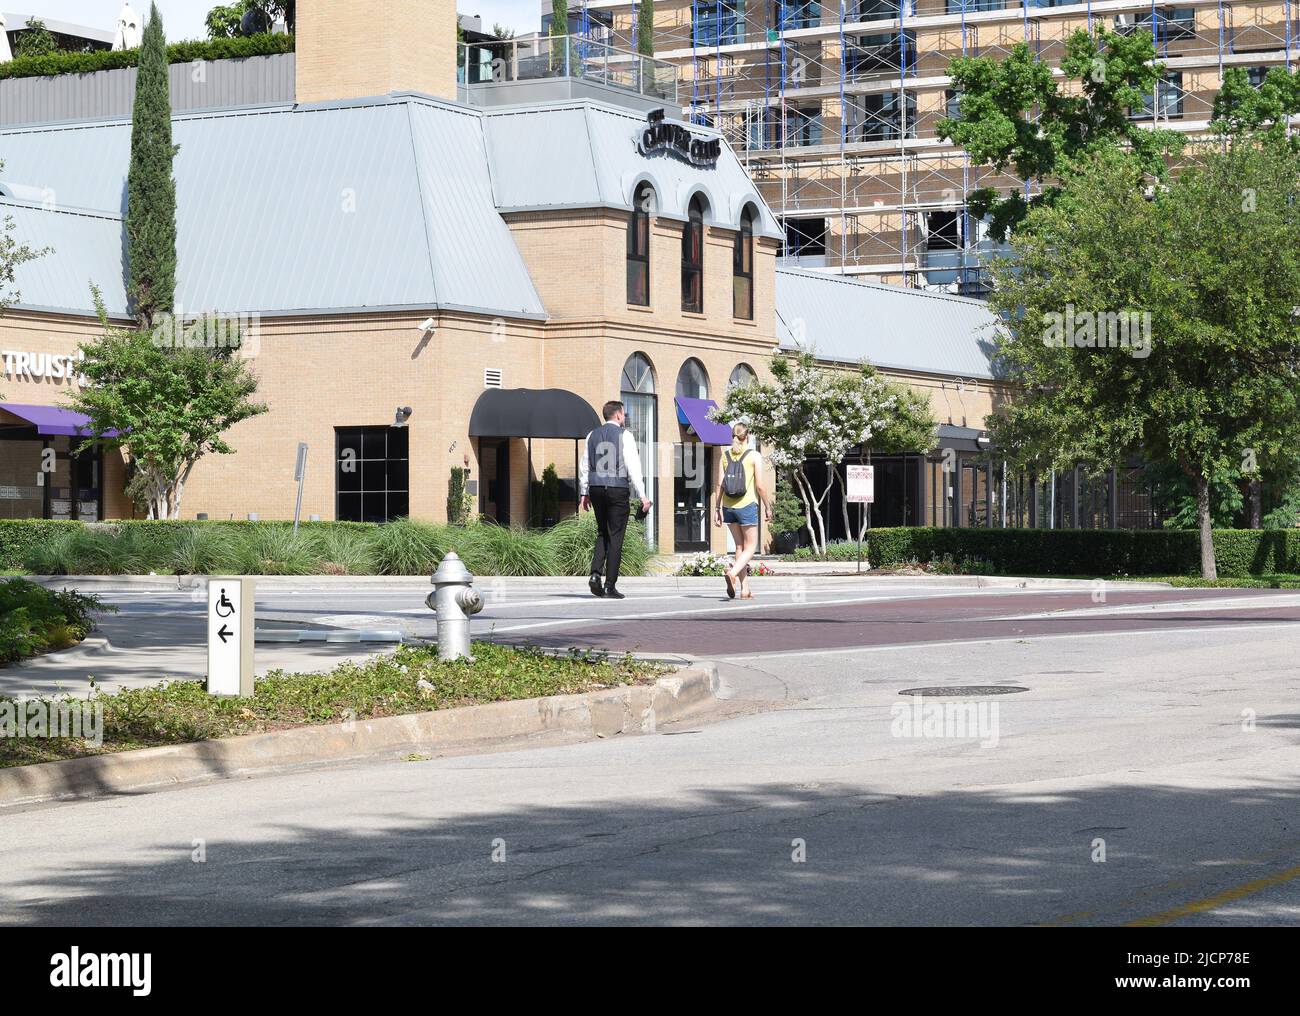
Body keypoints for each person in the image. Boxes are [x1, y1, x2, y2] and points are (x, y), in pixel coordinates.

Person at [578, 401, 652, 599]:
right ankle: (610, 586)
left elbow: (585, 465)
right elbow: (633, 465)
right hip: (617, 488)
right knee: (616, 536)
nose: (625, 417)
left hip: (595, 489)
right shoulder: (624, 435)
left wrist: (584, 493)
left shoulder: (591, 435)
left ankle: (595, 574)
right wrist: (643, 495)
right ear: (618, 415)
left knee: (602, 531)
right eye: (624, 414)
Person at [714, 423, 771, 599]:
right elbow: (760, 486)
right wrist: (768, 506)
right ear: (748, 436)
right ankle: (732, 573)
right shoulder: (754, 455)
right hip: (746, 505)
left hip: (728, 506)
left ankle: (744, 589)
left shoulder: (724, 456)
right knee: (751, 547)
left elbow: (719, 485)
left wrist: (717, 509)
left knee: (739, 547)